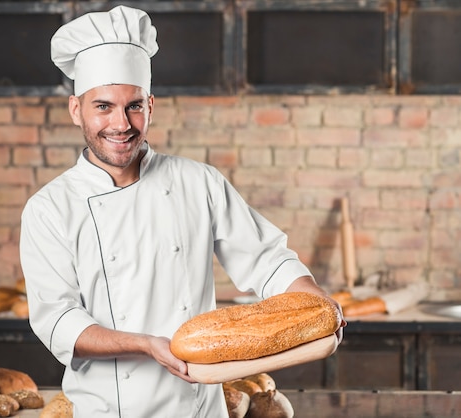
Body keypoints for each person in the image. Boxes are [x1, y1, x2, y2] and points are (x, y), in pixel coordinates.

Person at [19, 5, 346, 417]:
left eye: (133, 105)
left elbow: (266, 260)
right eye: (103, 106)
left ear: (151, 106)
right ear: (75, 110)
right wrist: (146, 344)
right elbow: (58, 321)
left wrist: (316, 304)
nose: (121, 123)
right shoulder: (49, 209)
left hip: (199, 410)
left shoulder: (198, 182)